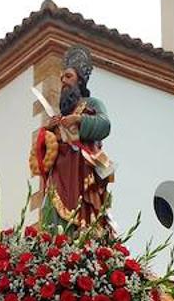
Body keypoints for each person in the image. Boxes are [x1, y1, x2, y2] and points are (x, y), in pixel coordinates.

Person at [29, 45, 113, 228]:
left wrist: (79, 119)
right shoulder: (59, 117)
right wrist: (49, 131)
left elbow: (105, 125)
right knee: (53, 217)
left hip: (82, 173)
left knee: (81, 220)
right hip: (59, 174)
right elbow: (45, 154)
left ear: (80, 81)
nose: (63, 81)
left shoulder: (92, 104)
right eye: (61, 78)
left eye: (68, 77)